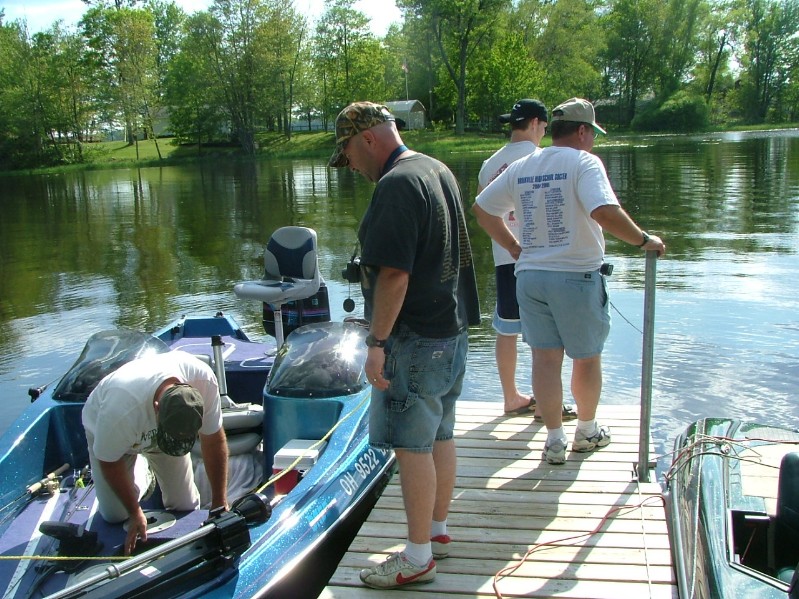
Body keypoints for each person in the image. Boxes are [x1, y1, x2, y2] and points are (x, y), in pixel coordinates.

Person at [329, 101, 480, 589]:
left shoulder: (396, 185)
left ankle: (416, 558)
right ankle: (435, 533)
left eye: (348, 152)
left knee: (411, 447)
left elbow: (394, 273)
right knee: (440, 435)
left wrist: (377, 342)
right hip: (451, 331)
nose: (349, 165)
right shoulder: (436, 169)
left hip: (412, 338)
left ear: (368, 138)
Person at [472, 97, 665, 465]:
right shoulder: (585, 162)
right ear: (581, 131)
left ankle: (554, 439)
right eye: (591, 133)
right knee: (586, 359)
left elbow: (482, 210)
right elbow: (603, 211)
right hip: (575, 276)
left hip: (529, 277)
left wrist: (515, 248)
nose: (592, 140)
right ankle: (588, 430)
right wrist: (644, 240)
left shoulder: (524, 165)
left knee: (545, 359)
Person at [478, 99, 575, 422]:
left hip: (505, 256)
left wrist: (510, 244)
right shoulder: (541, 159)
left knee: (506, 330)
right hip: (540, 258)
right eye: (545, 127)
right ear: (535, 123)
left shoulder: (490, 164)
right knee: (545, 337)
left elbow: (483, 212)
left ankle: (511, 397)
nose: (545, 133)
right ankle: (550, 404)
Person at [82, 350, 229, 555]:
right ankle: (143, 470)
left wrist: (220, 502)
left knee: (185, 505)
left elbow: (213, 441)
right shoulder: (119, 409)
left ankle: (152, 461)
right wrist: (134, 511)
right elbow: (109, 462)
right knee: (115, 515)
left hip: (159, 433)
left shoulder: (204, 382)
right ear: (157, 408)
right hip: (114, 439)